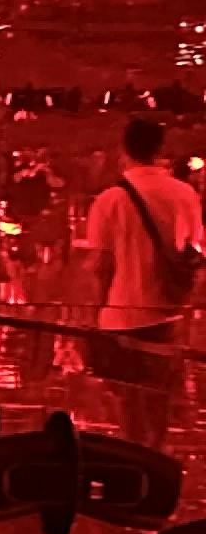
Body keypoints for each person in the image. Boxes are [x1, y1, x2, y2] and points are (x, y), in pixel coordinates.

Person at [80, 114, 200, 444]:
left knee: (128, 403)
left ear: (124, 149)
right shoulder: (184, 194)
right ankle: (155, 457)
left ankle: (133, 460)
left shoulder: (109, 200)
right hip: (168, 315)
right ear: (160, 149)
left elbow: (100, 266)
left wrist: (94, 314)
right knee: (159, 401)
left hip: (121, 315)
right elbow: (194, 253)